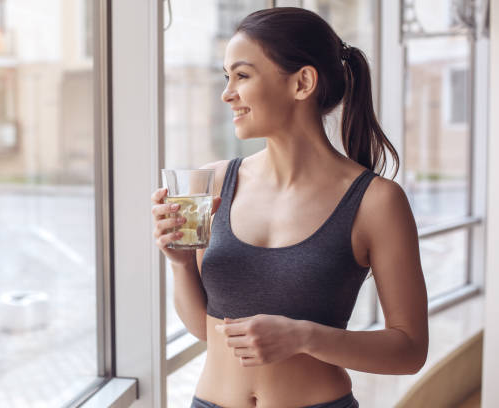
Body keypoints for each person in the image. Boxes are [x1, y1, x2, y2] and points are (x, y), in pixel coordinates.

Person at [150, 7, 428, 408]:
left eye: (242, 75)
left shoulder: (376, 202)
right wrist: (178, 263)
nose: (227, 93)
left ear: (303, 83)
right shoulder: (212, 183)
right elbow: (205, 330)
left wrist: (304, 336)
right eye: (225, 77)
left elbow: (410, 350)